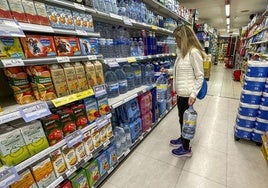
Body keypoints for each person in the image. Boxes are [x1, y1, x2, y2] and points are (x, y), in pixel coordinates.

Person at [161, 24, 205, 157]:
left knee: (186, 121)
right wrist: (168, 71)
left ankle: (186, 149)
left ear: (184, 38)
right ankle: (182, 138)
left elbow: (200, 76)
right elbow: (180, 71)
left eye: (177, 38)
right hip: (181, 93)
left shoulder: (193, 53)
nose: (176, 41)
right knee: (182, 119)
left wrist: (193, 94)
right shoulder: (182, 53)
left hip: (187, 94)